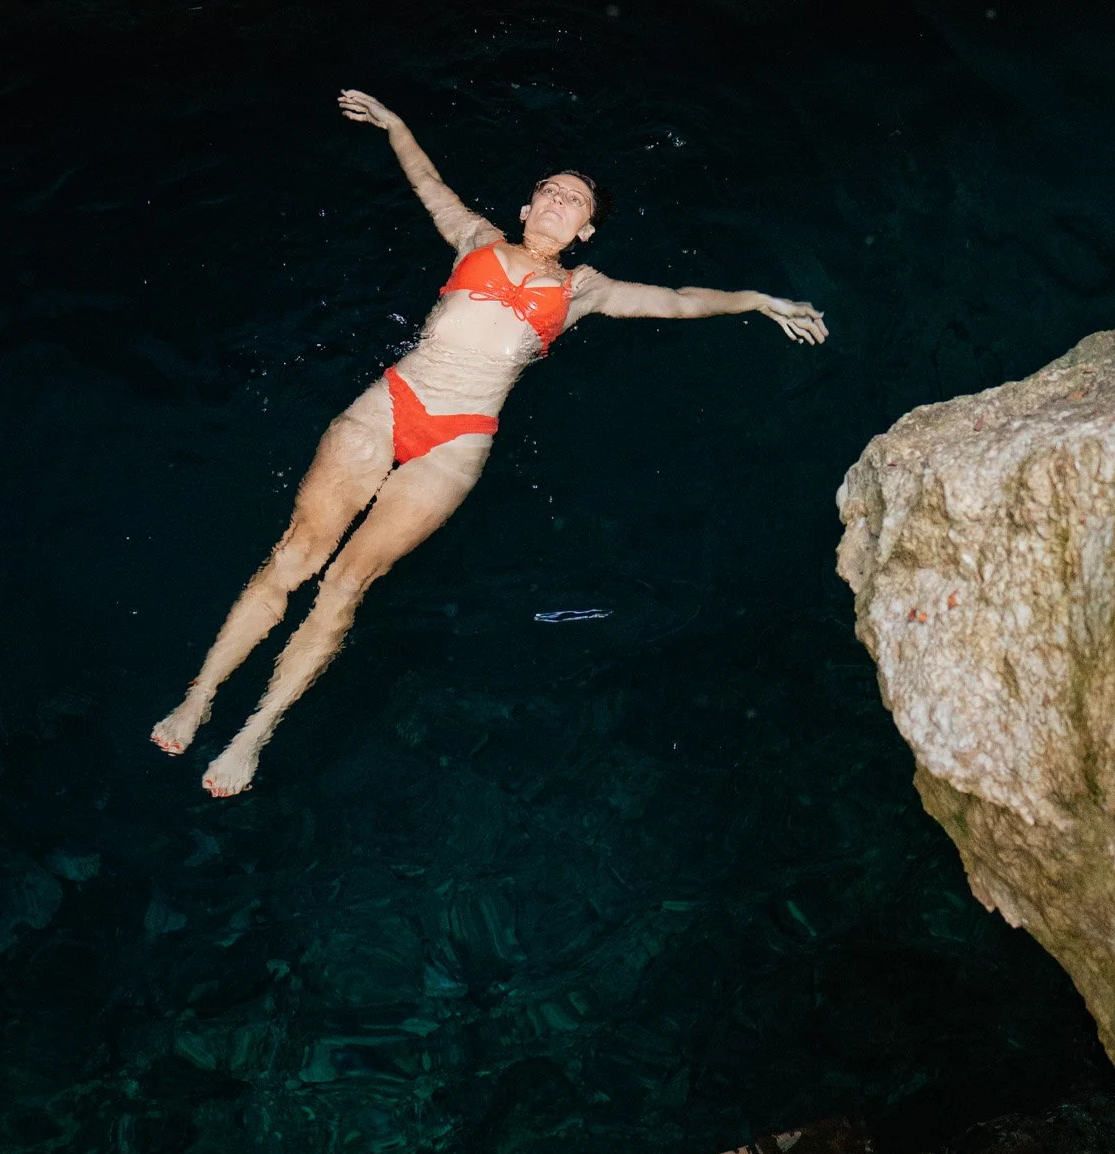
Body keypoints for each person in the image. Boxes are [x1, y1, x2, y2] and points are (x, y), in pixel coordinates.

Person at [152, 90, 827, 796]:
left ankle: (254, 731)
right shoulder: (476, 240)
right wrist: (396, 125)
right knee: (296, 554)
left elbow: (682, 298)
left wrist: (758, 301)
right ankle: (199, 698)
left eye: (575, 201)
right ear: (526, 208)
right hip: (388, 406)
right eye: (549, 192)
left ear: (586, 231)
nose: (560, 202)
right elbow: (428, 184)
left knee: (347, 581)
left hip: (459, 440)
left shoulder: (583, 291)